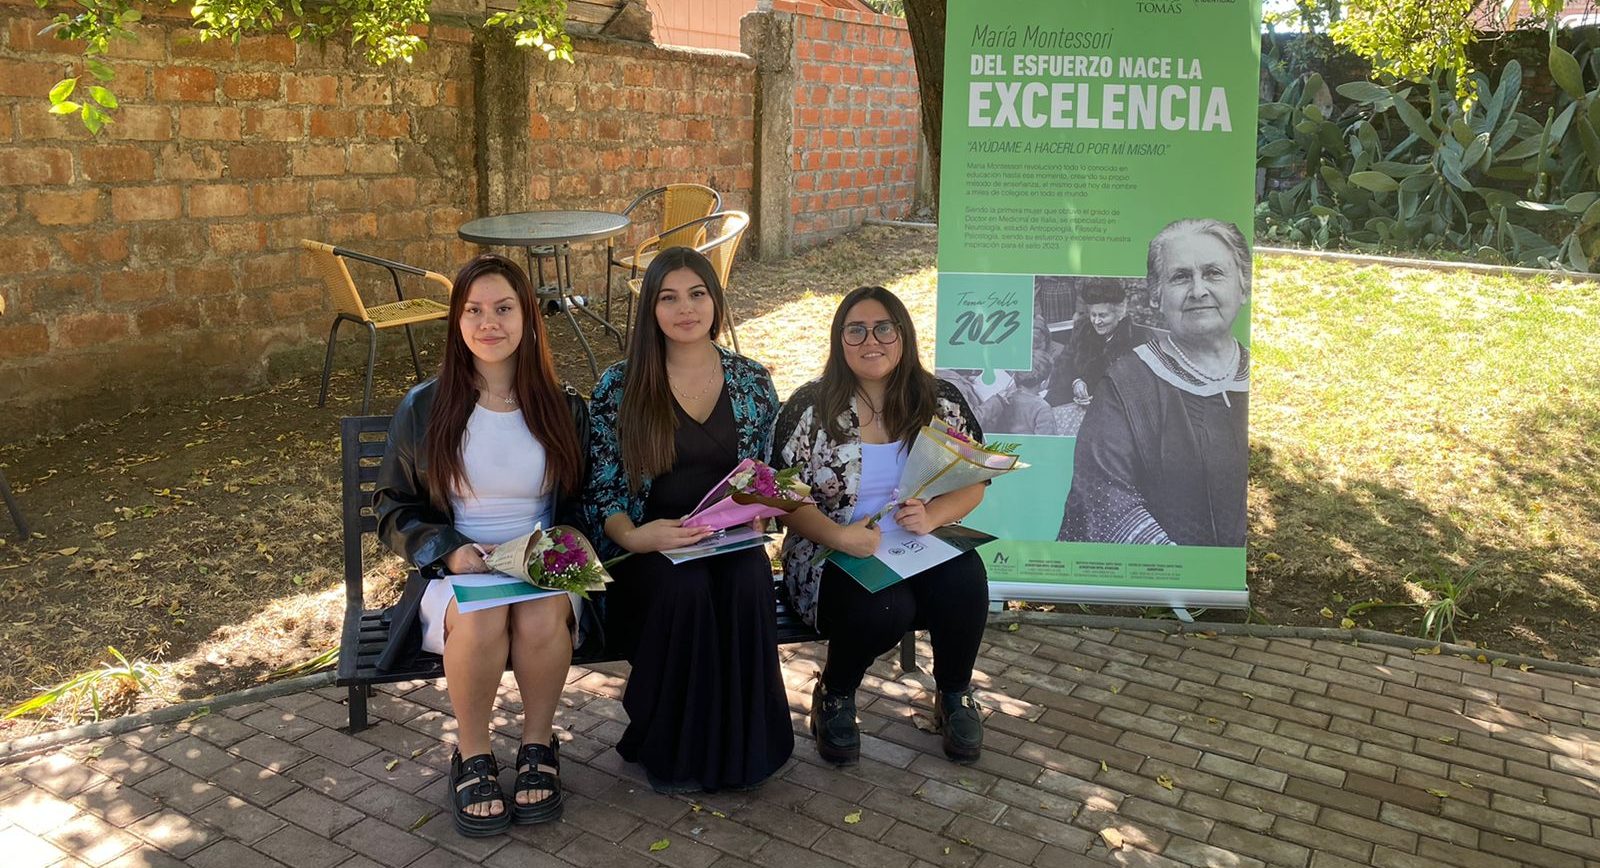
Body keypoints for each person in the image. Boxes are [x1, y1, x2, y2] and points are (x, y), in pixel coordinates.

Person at [373, 254, 590, 836]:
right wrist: (448, 548)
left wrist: (559, 548)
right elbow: (392, 506)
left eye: (503, 308)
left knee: (544, 615)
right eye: (473, 310)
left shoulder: (562, 406)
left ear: (528, 319)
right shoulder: (425, 407)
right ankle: (472, 755)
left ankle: (538, 747)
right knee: (483, 618)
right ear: (456, 321)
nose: (488, 323)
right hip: (457, 571)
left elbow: (581, 504)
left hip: (539, 567)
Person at [585, 246, 793, 793]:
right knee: (685, 589)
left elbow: (771, 475)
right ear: (650, 309)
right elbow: (601, 486)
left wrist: (760, 519)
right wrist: (636, 534)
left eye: (697, 294)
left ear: (715, 300)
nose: (686, 308)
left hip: (728, 541)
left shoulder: (750, 380)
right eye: (668, 297)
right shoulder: (620, 384)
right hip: (649, 547)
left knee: (749, 579)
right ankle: (674, 749)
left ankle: (744, 753)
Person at [774, 286, 992, 765]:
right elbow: (783, 499)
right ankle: (835, 693)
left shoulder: (941, 401)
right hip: (828, 548)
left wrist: (934, 514)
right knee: (885, 607)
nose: (870, 340)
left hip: (918, 539)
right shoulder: (811, 407)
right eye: (856, 329)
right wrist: (840, 536)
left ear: (903, 335)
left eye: (883, 328)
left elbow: (974, 483)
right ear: (839, 340)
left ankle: (955, 695)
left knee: (967, 581)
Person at [1059, 218, 1250, 546]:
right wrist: (1177, 566)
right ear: (1157, 296)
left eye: (1214, 273)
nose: (1199, 290)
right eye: (1180, 277)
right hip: (1160, 581)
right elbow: (1101, 492)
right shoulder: (1127, 384)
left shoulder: (1258, 377)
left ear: (1243, 286)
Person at [1045, 279, 1157, 407]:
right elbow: (1065, 365)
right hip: (1077, 405)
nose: (1096, 321)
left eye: (1103, 316)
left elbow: (1141, 388)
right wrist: (1076, 382)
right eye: (1093, 315)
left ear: (1119, 315)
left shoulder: (1138, 340)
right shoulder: (1083, 330)